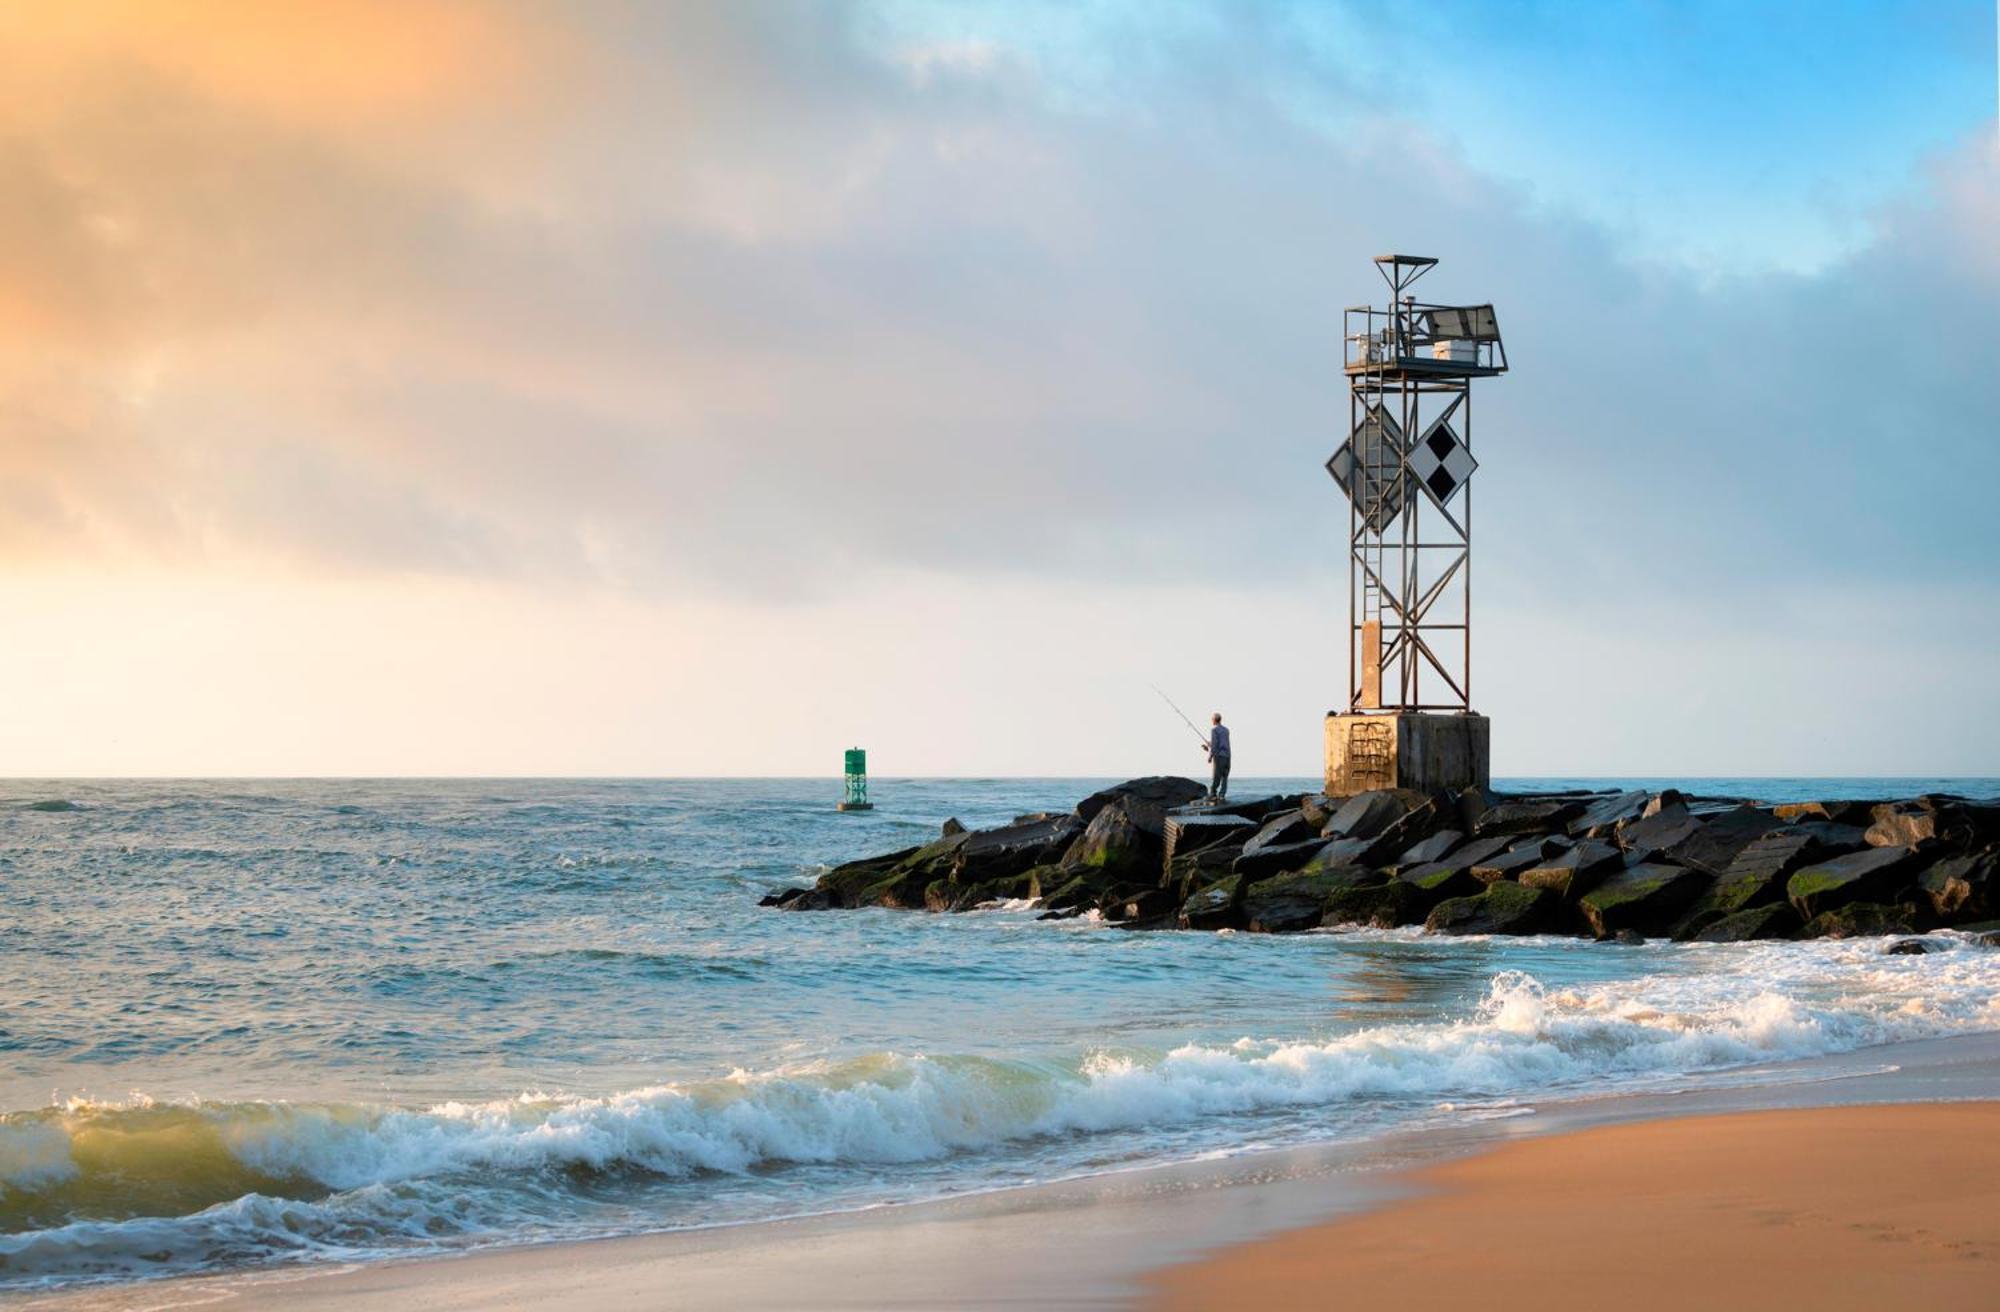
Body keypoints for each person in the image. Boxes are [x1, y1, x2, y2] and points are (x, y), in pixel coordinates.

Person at [1203, 713, 1231, 800]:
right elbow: (1222, 743)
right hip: (1228, 755)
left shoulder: (1214, 730)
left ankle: (1213, 793)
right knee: (1225, 776)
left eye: (1212, 719)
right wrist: (1209, 745)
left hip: (1219, 756)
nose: (1211, 721)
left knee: (1216, 775)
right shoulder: (1226, 730)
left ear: (1214, 720)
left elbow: (1215, 745)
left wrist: (1210, 756)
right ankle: (1222, 795)